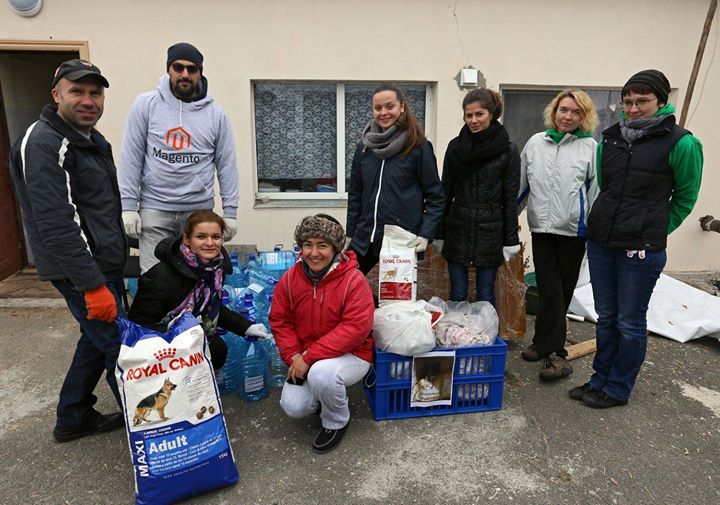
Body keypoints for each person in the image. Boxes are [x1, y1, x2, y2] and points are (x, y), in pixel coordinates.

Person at [570, 70, 703, 408]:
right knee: (607, 317)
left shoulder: (681, 143)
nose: (632, 108)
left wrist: (654, 230)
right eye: (627, 101)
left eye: (641, 101)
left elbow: (685, 198)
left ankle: (616, 388)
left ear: (661, 102)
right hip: (602, 242)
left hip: (640, 249)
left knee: (630, 321)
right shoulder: (611, 138)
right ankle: (598, 379)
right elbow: (606, 186)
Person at [9, 59, 126, 442]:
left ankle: (73, 415)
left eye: (95, 92)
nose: (88, 100)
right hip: (82, 269)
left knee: (93, 340)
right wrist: (92, 285)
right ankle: (154, 428)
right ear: (56, 94)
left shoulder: (89, 140)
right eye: (77, 91)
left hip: (102, 263)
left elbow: (96, 208)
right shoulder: (44, 142)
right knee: (122, 351)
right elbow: (57, 221)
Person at [119, 42, 239, 274]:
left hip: (198, 211)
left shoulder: (216, 115)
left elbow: (227, 165)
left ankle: (195, 312)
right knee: (155, 279)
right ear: (168, 69)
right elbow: (131, 156)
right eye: (178, 67)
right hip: (155, 208)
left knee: (197, 278)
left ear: (200, 73)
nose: (185, 74)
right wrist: (128, 207)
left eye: (192, 69)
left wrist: (231, 212)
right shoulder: (146, 105)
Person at [269, 214, 374, 454]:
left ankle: (336, 420)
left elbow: (355, 329)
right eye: (308, 244)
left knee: (322, 374)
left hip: (353, 354)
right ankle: (325, 397)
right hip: (306, 356)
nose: (313, 253)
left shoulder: (353, 280)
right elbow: (280, 320)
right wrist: (293, 356)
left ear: (336, 248)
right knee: (294, 406)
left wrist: (307, 358)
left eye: (322, 245)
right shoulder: (290, 279)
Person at [517, 90, 599, 382]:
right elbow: (521, 186)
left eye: (575, 112)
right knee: (550, 288)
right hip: (541, 228)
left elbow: (595, 191)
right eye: (563, 110)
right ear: (554, 111)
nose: (568, 116)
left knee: (561, 291)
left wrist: (593, 229)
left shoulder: (590, 147)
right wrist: (507, 221)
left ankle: (549, 349)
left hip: (574, 232)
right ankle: (551, 350)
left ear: (584, 117)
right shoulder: (535, 143)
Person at [128, 210, 269, 370]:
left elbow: (212, 307)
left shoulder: (215, 269)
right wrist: (182, 333)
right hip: (160, 347)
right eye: (201, 236)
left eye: (215, 237)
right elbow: (138, 326)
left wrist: (246, 327)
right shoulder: (161, 276)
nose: (209, 243)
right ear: (187, 239)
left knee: (216, 349)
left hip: (190, 336)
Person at [346, 83, 445, 274]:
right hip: (365, 237)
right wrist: (351, 232)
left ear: (402, 107)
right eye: (378, 108)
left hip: (400, 241)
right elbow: (356, 193)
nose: (383, 112)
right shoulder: (365, 148)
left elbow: (435, 196)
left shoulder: (418, 146)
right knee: (345, 285)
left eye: (389, 106)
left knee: (397, 300)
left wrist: (425, 234)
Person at [437, 88, 521, 307]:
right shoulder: (455, 147)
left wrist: (510, 240)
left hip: (490, 230)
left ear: (491, 114)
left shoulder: (508, 150)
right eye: (469, 115)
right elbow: (445, 191)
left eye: (479, 114)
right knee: (457, 291)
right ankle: (457, 337)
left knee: (485, 292)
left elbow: (510, 197)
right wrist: (438, 233)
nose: (473, 120)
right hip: (458, 226)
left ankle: (485, 338)